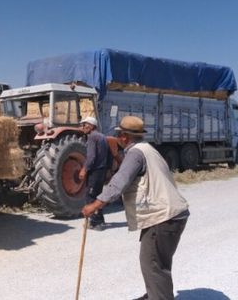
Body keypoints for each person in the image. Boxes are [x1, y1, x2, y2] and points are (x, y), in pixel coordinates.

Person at [82, 116, 189, 300]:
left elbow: (119, 183)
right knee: (157, 263)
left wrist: (95, 204)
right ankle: (155, 295)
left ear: (124, 137)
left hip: (163, 217)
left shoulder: (135, 154)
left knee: (153, 264)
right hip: (172, 214)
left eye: (118, 134)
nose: (116, 137)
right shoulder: (149, 150)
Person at [78, 116, 111, 230]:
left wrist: (84, 169)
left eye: (85, 124)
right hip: (101, 171)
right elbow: (109, 155)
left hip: (95, 172)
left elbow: (91, 157)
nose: (82, 127)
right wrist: (108, 170)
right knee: (98, 195)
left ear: (91, 126)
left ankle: (96, 222)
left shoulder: (92, 137)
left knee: (91, 196)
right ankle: (100, 220)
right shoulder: (102, 137)